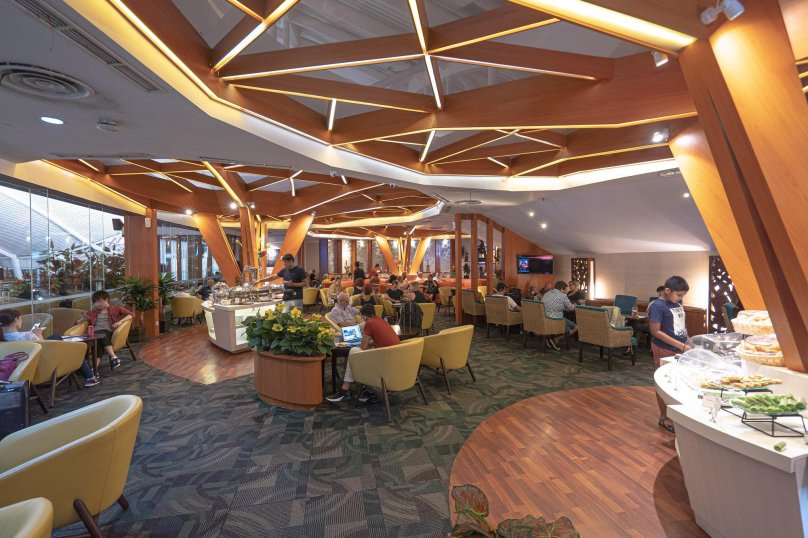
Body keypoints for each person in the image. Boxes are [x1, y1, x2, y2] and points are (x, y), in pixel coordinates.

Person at [327, 303, 400, 403]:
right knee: (355, 354)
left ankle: (345, 390)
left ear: (364, 316)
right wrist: (370, 342)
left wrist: (363, 342)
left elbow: (363, 347)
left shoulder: (369, 323)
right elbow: (377, 341)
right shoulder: (381, 321)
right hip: (394, 357)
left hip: (384, 360)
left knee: (353, 352)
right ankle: (363, 389)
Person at [648, 276, 692, 433]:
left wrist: (687, 341)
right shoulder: (657, 306)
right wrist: (681, 345)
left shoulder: (677, 304)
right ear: (667, 290)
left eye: (683, 295)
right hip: (664, 348)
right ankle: (665, 416)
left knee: (678, 382)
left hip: (680, 348)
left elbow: (680, 326)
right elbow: (656, 332)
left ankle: (677, 414)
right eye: (678, 294)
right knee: (664, 382)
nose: (680, 298)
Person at [76, 290, 134, 370]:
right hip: (95, 334)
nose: (97, 304)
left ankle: (95, 369)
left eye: (99, 301)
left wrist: (120, 322)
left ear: (106, 299)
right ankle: (108, 361)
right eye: (95, 302)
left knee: (101, 336)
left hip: (108, 332)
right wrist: (82, 319)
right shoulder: (92, 312)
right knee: (98, 343)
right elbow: (77, 323)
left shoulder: (116, 309)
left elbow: (131, 314)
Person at [541, 281, 578, 350]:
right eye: (565, 290)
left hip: (544, 319)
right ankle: (556, 339)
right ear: (561, 289)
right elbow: (571, 308)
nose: (566, 292)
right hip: (555, 321)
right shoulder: (563, 296)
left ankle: (550, 338)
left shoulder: (547, 293)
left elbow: (555, 305)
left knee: (563, 318)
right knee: (576, 327)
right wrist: (574, 305)